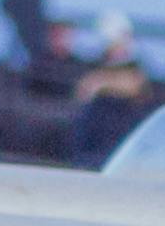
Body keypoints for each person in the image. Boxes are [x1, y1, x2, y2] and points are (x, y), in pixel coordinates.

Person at [63, 16, 158, 164]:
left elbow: (133, 87)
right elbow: (84, 92)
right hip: (96, 140)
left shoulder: (136, 70)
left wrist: (105, 83)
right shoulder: (95, 67)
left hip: (123, 139)